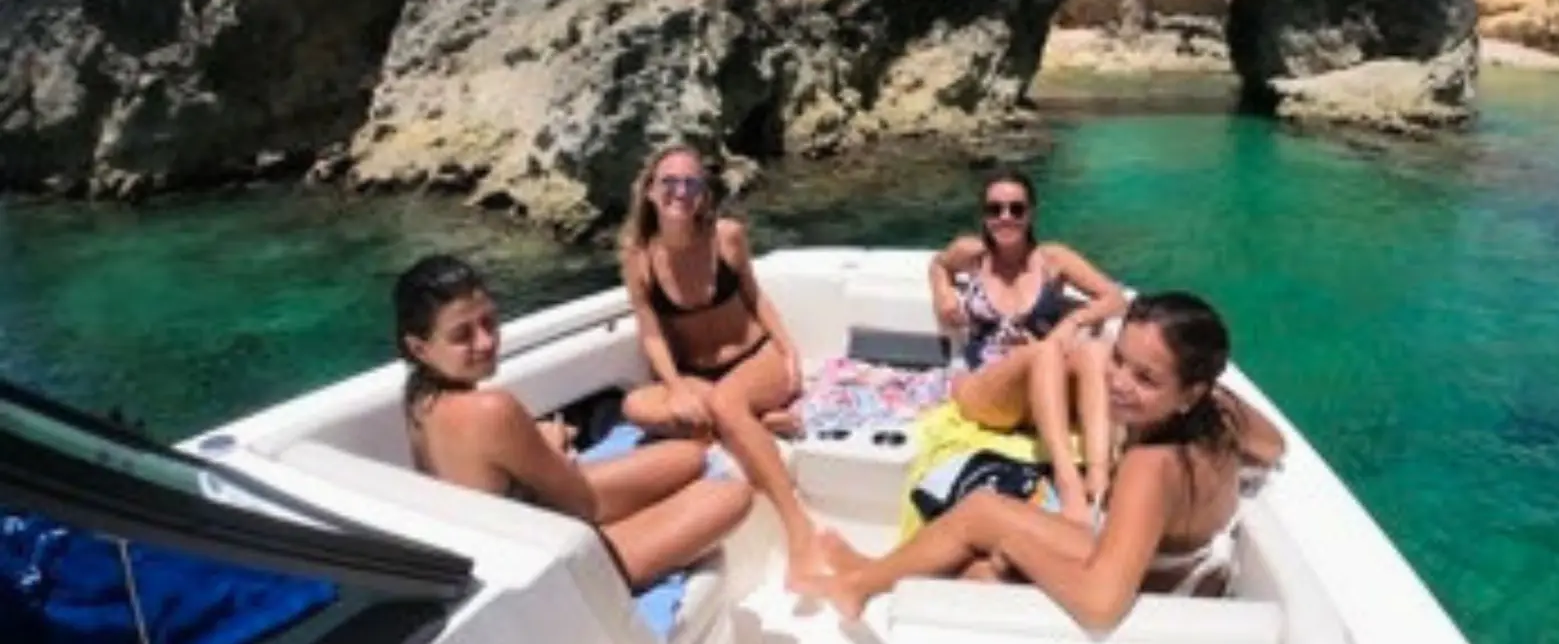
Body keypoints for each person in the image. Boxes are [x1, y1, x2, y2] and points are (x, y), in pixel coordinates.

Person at [798, 291, 1287, 631]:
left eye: (1146, 378)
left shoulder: (1151, 467)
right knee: (982, 510)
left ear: (1188, 391)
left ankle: (861, 583)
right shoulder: (1220, 413)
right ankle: (863, 579)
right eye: (1118, 359)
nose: (1117, 381)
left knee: (977, 572)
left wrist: (1015, 546)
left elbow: (1100, 606)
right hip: (1173, 560)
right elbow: (1277, 445)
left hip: (1158, 584)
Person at [394, 254, 752, 590]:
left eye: (488, 321)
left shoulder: (418, 400)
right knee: (731, 496)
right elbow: (585, 506)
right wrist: (552, 450)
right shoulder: (491, 408)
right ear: (419, 348)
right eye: (462, 335)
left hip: (519, 533)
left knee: (689, 457)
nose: (486, 341)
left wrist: (538, 449)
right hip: (545, 579)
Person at [615, 144, 824, 589]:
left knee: (729, 402)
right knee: (635, 406)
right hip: (697, 376)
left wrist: (788, 350)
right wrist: (675, 388)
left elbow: (755, 296)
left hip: (754, 360)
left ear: (703, 194)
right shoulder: (637, 259)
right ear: (650, 191)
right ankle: (757, 425)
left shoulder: (726, 237)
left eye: (692, 183)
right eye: (669, 182)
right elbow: (651, 332)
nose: (681, 192)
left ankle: (799, 529)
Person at [930, 169, 1129, 523]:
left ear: (1031, 213)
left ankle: (1100, 475)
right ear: (984, 216)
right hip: (987, 388)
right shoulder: (972, 255)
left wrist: (1072, 322)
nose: (1005, 217)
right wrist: (943, 291)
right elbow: (938, 264)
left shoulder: (1053, 259)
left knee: (1094, 351)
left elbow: (1114, 298)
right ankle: (1068, 482)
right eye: (995, 209)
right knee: (1042, 352)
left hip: (1044, 385)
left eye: (1016, 209)